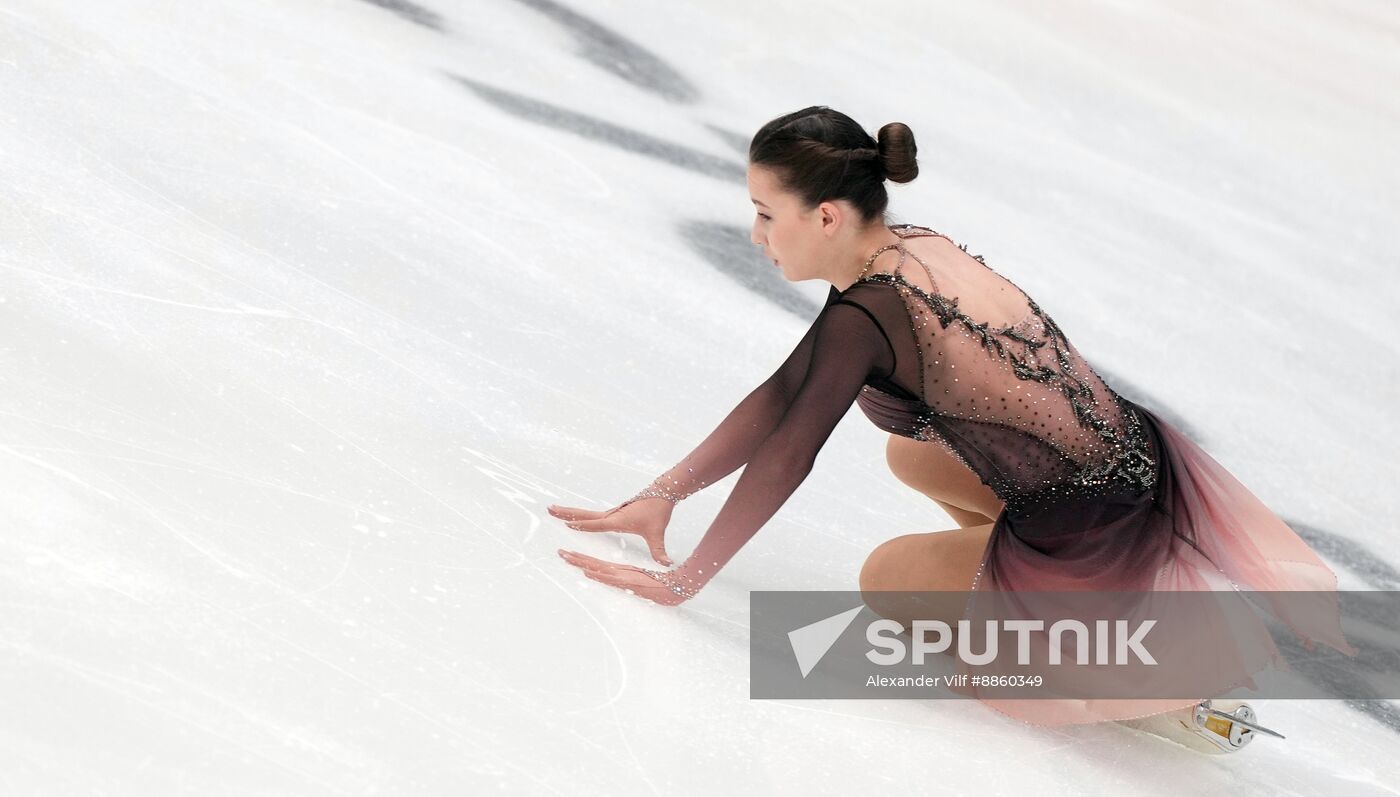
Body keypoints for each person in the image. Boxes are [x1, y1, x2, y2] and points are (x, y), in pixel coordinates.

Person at [552, 106, 1355, 752]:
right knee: (915, 457)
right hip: (1139, 466)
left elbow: (789, 451)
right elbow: (782, 394)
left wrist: (684, 578)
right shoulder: (911, 249)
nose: (757, 235)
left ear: (825, 215)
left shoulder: (869, 314)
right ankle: (1099, 606)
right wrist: (663, 496)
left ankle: (1133, 662)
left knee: (884, 580)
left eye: (766, 214)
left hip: (1093, 526)